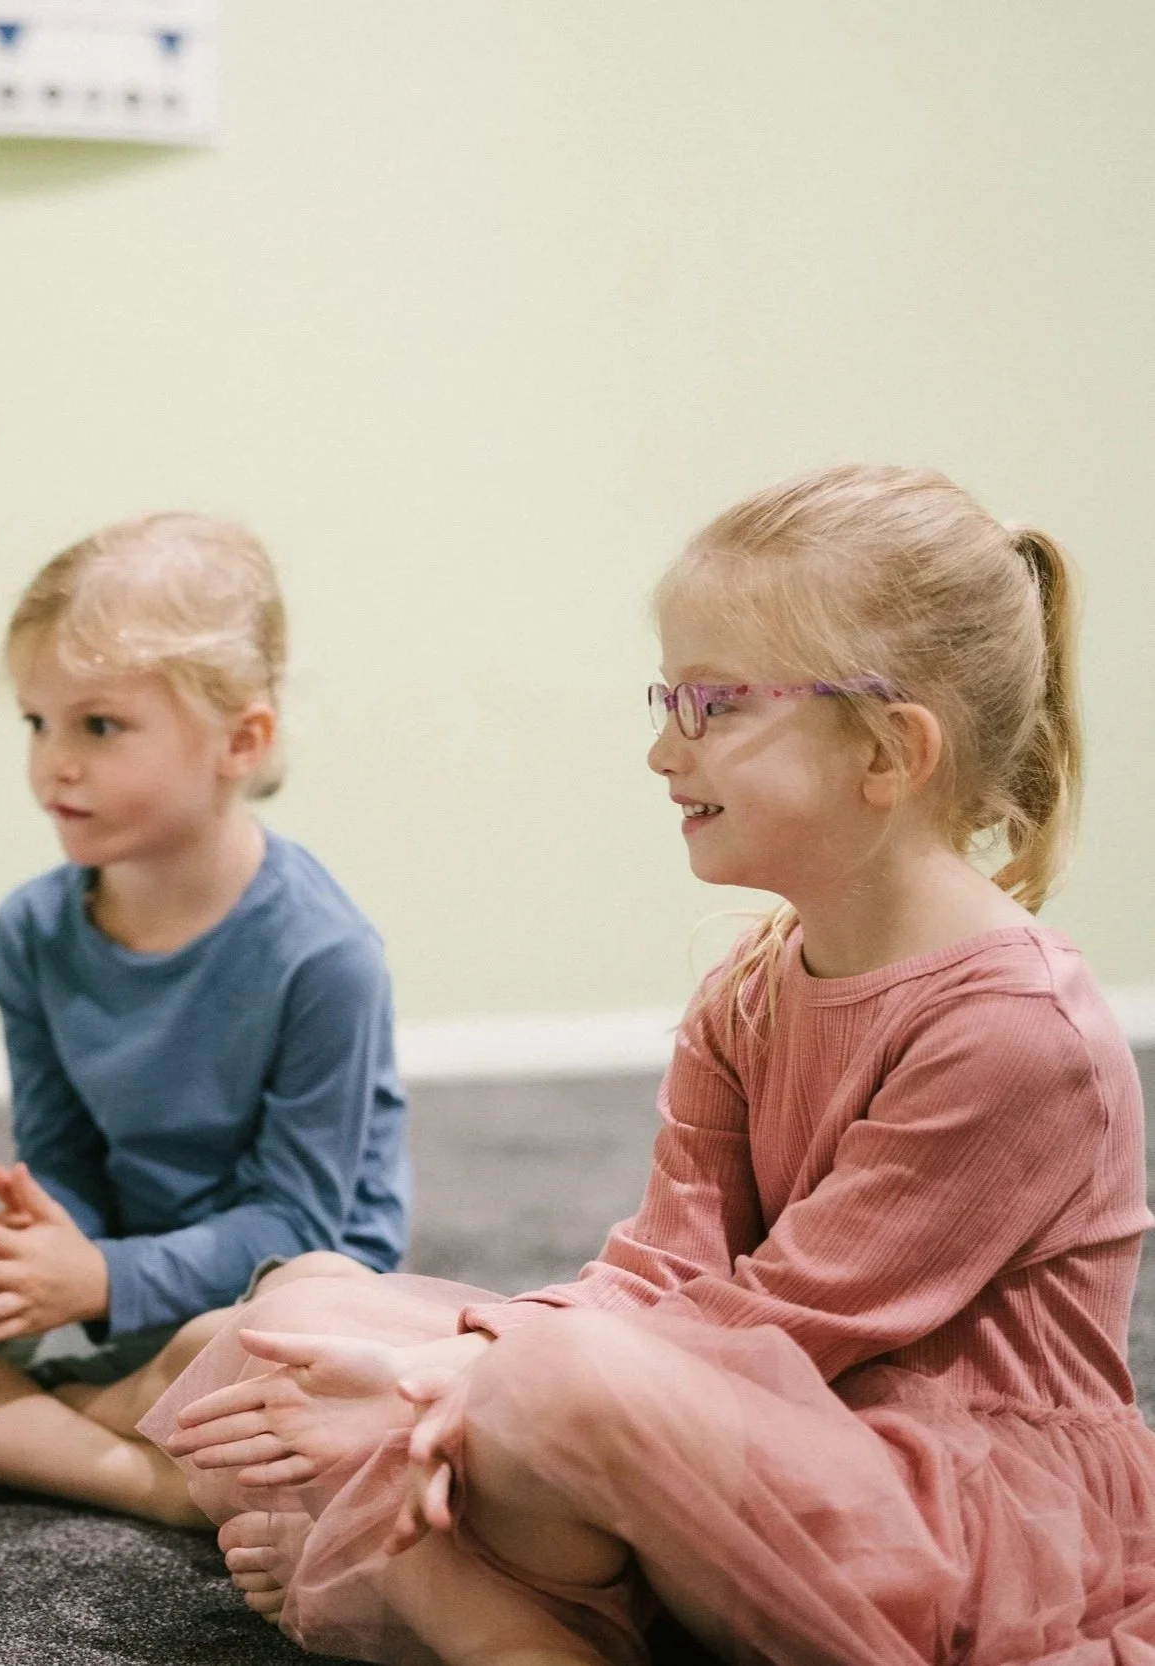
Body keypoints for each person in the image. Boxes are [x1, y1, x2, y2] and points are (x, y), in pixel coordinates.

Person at [144, 464, 1155, 1664]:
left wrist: (446, 1386)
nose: (661, 752)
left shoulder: (1019, 1028)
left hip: (940, 1504)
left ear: (889, 749)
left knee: (540, 1385)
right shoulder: (749, 987)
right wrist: (450, 1364)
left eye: (715, 707)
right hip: (756, 1422)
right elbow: (664, 1269)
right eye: (666, 699)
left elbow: (791, 1321)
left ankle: (495, 1619)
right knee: (295, 1314)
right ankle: (510, 1586)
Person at [0, 512, 409, 1526]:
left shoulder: (325, 955)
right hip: (111, 1288)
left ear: (243, 739)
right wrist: (32, 1257)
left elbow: (298, 1226)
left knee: (285, 1340)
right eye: (36, 722)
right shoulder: (34, 928)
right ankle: (139, 1469)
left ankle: (27, 1424)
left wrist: (101, 1276)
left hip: (268, 1304)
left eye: (98, 725)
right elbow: (65, 1158)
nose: (54, 762)